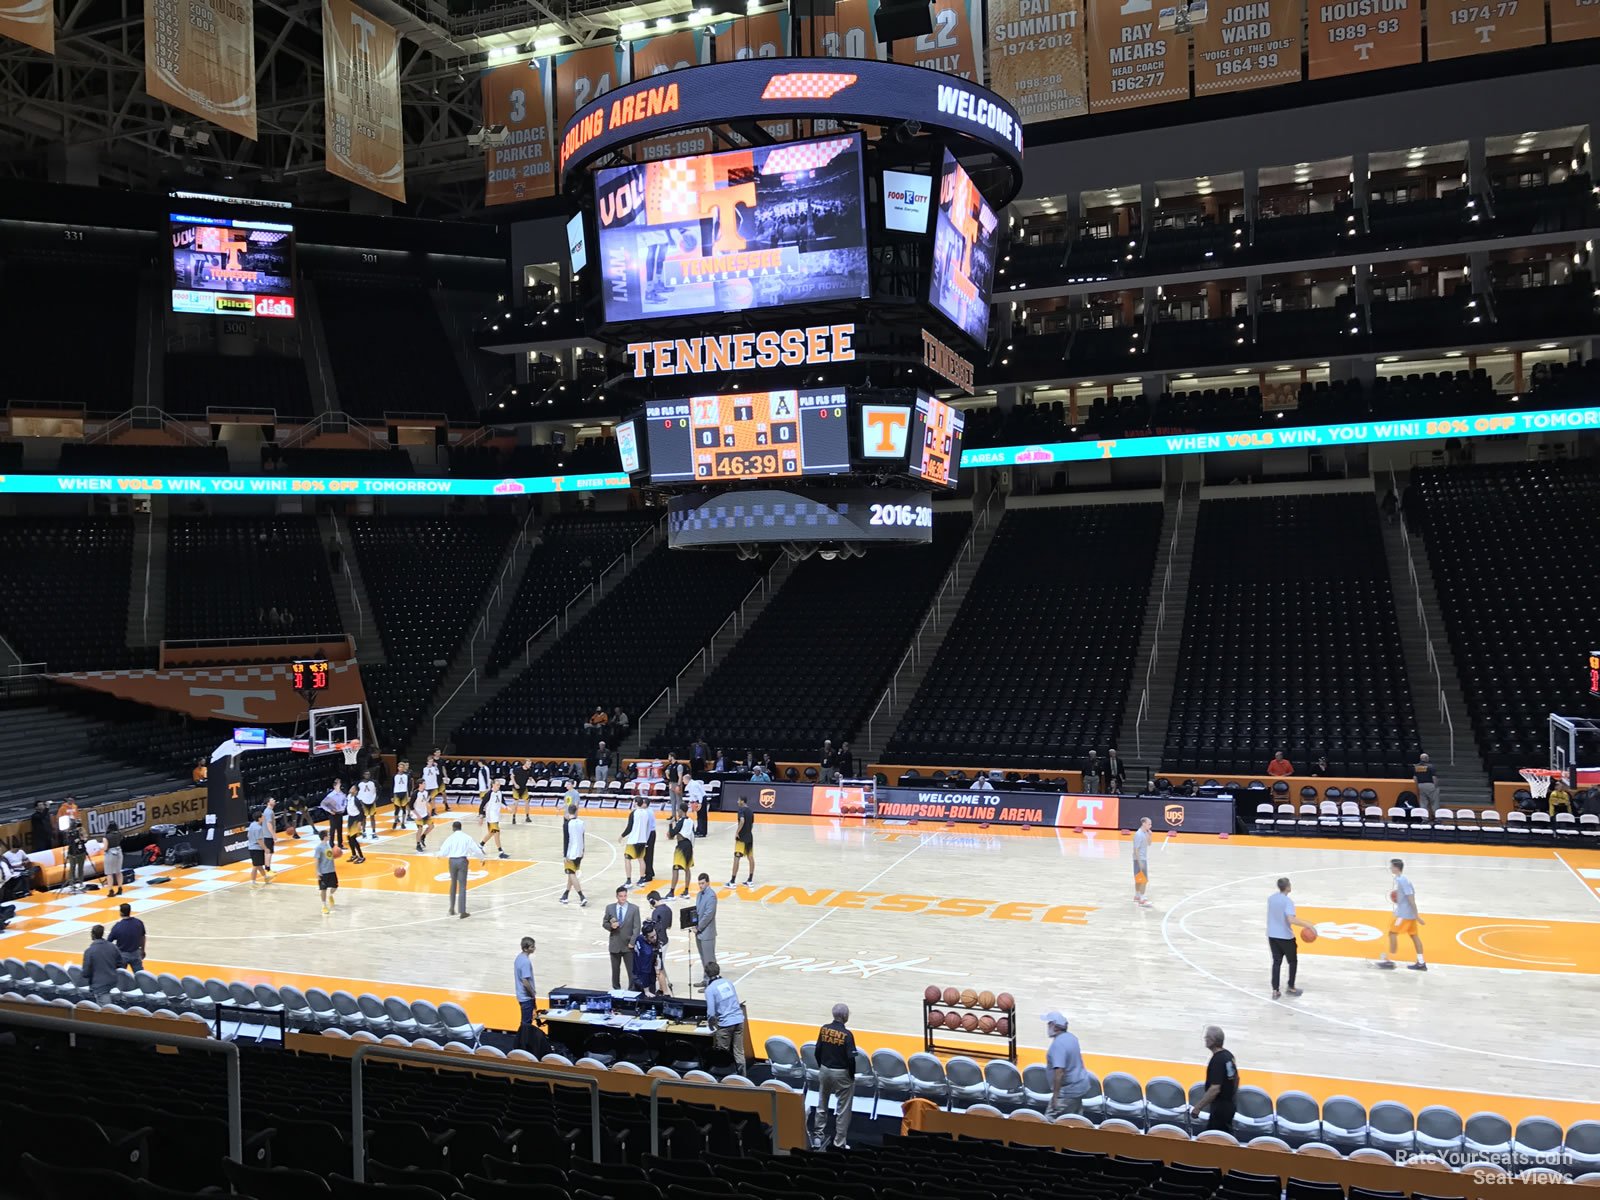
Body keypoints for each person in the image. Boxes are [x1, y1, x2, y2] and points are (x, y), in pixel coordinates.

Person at [811, 1002, 857, 1150]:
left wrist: (821, 1066)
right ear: (845, 1017)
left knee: (822, 1103)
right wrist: (851, 1075)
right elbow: (851, 1058)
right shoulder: (847, 1035)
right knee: (843, 1109)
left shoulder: (824, 1029)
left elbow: (817, 1050)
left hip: (825, 1070)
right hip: (841, 1073)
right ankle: (839, 1143)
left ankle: (818, 1137)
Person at [1375, 858, 1427, 971]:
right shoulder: (1401, 879)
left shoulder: (1403, 881)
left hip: (1404, 915)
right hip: (1409, 915)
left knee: (1392, 933)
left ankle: (1389, 960)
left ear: (1396, 868)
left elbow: (1411, 899)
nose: (1390, 868)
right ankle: (1421, 963)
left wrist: (1417, 916)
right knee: (1414, 936)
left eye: (1391, 866)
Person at [1267, 876, 1315, 999]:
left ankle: (1275, 990)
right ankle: (1291, 987)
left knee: (1276, 963)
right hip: (1285, 937)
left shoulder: (1271, 898)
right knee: (1292, 961)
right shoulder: (1288, 902)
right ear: (1288, 887)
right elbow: (1290, 919)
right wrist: (1308, 924)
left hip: (1272, 935)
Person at [1041, 1012, 1092, 1117]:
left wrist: (1056, 1096)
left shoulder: (1058, 1045)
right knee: (1075, 1119)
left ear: (1055, 1027)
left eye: (1049, 1023)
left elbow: (1059, 1072)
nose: (1047, 1026)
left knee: (1049, 1120)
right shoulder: (1072, 1038)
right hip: (1080, 1086)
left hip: (1068, 1091)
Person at [1190, 1026, 1238, 1132]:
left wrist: (1198, 1107)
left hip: (1220, 1109)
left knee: (1215, 1137)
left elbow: (1215, 1089)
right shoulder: (1228, 1056)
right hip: (1229, 1105)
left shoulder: (1217, 1060)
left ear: (1213, 1040)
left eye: (1207, 1037)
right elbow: (1236, 1079)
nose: (1205, 1038)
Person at [703, 961, 746, 1073]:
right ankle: (743, 1079)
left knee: (723, 1054)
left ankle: (726, 1079)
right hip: (739, 1020)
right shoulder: (728, 983)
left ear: (707, 974)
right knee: (739, 1052)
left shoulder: (710, 989)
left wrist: (711, 1025)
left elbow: (711, 1012)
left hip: (725, 1025)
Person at [439, 820, 486, 918]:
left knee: (453, 884)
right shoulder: (467, 837)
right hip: (462, 861)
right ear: (461, 828)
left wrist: (439, 856)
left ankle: (452, 908)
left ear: (453, 828)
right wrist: (481, 858)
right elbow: (476, 849)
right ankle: (462, 911)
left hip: (452, 861)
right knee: (462, 886)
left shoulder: (450, 838)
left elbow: (443, 852)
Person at [603, 885, 641, 989]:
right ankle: (616, 989)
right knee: (615, 971)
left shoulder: (634, 909)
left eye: (625, 896)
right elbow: (604, 923)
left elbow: (637, 927)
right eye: (621, 896)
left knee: (631, 971)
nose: (623, 898)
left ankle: (632, 990)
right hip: (615, 944)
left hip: (628, 945)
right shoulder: (609, 908)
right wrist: (611, 926)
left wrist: (632, 942)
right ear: (617, 896)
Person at [82, 924, 122, 1003]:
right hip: (114, 983)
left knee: (105, 1011)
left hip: (100, 987)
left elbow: (85, 973)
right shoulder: (113, 946)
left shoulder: (89, 951)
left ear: (92, 935)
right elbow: (120, 963)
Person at [513, 936, 539, 1051]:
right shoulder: (525, 962)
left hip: (521, 995)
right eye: (532, 946)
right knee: (526, 1023)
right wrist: (532, 993)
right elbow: (525, 980)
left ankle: (523, 1043)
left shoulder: (519, 958)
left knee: (526, 1022)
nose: (534, 948)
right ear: (526, 948)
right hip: (526, 997)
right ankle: (522, 1046)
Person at [561, 802, 588, 906]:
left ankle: (582, 896)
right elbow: (583, 837)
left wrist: (564, 855)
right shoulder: (581, 822)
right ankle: (565, 894)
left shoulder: (567, 824)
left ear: (568, 811)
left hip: (571, 853)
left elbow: (566, 840)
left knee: (571, 874)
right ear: (576, 811)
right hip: (580, 852)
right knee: (571, 874)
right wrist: (583, 850)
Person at [647, 890, 674, 993]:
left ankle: (663, 990)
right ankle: (663, 986)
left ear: (652, 901)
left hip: (659, 943)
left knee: (658, 967)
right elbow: (669, 926)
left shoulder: (656, 912)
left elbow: (653, 931)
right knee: (661, 963)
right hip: (666, 940)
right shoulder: (668, 909)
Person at [108, 902, 147, 971]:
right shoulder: (138, 922)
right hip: (136, 953)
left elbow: (109, 941)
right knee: (140, 975)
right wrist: (142, 950)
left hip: (122, 955)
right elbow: (143, 937)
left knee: (121, 976)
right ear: (130, 911)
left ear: (121, 913)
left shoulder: (118, 926)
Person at [668, 803, 695, 898]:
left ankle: (671, 892)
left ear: (681, 811)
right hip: (689, 846)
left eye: (678, 810)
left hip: (681, 846)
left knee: (675, 868)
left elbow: (672, 834)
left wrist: (670, 824)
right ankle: (686, 891)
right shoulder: (691, 821)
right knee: (687, 868)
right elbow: (693, 833)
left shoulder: (681, 821)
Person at [694, 872, 718, 979]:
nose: (700, 886)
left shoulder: (711, 896)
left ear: (708, 883)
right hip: (699, 932)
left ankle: (711, 981)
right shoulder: (699, 894)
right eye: (699, 883)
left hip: (707, 933)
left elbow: (709, 915)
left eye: (703, 883)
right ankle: (705, 978)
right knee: (703, 957)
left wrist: (699, 927)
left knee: (709, 959)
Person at [729, 793, 755, 888]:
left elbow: (742, 820)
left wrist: (737, 832)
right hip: (749, 836)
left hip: (741, 837)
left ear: (742, 801)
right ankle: (750, 880)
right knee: (750, 857)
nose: (737, 802)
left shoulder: (741, 810)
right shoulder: (751, 811)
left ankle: (732, 881)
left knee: (737, 858)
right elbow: (751, 825)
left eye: (738, 800)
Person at [622, 797, 649, 887]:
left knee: (627, 859)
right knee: (641, 859)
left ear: (636, 803)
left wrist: (622, 836)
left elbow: (629, 828)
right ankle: (642, 879)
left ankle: (629, 880)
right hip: (643, 840)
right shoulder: (646, 813)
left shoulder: (633, 813)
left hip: (633, 840)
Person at [313, 829, 340, 915]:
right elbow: (316, 859)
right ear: (325, 837)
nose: (329, 836)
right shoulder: (318, 848)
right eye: (328, 835)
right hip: (323, 871)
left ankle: (331, 895)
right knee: (323, 889)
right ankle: (324, 906)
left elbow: (330, 856)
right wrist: (317, 871)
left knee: (335, 886)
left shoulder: (328, 845)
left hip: (331, 870)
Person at [480, 781, 508, 860]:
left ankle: (480, 845)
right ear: (493, 785)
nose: (499, 786)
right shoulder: (489, 794)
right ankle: (500, 852)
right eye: (497, 785)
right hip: (491, 817)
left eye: (499, 785)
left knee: (491, 833)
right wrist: (481, 816)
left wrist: (506, 807)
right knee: (497, 833)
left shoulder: (499, 792)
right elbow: (482, 805)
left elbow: (501, 802)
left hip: (496, 815)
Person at [1131, 816, 1152, 907]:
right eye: (1149, 824)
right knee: (1144, 880)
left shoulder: (1144, 833)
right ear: (1144, 823)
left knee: (1139, 878)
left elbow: (1149, 844)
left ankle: (1137, 896)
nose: (1150, 826)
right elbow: (1136, 849)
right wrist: (1140, 862)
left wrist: (1150, 835)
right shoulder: (1139, 834)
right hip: (1140, 859)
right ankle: (1142, 900)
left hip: (1141, 859)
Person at [102, 818, 125, 898]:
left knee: (109, 873)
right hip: (119, 852)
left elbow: (105, 848)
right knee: (118, 871)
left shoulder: (106, 837)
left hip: (110, 854)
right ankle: (120, 888)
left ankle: (111, 890)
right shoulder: (119, 834)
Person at [247, 810, 270, 887]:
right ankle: (252, 882)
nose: (264, 817)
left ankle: (266, 877)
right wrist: (265, 848)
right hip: (256, 848)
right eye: (263, 816)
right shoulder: (258, 828)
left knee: (258, 864)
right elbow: (259, 840)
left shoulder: (252, 824)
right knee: (255, 866)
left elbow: (248, 835)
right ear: (259, 818)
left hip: (251, 847)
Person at [321, 780, 346, 848]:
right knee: (333, 829)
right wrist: (329, 811)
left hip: (340, 813)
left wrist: (343, 808)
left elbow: (344, 801)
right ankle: (331, 844)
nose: (340, 786)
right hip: (333, 814)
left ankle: (340, 844)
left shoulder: (342, 794)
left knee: (340, 829)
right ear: (334, 786)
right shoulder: (331, 795)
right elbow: (322, 804)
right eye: (338, 784)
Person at [64, 821, 87, 893]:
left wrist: (82, 838)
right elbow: (68, 842)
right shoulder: (70, 833)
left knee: (81, 868)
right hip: (72, 853)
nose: (78, 828)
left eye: (79, 826)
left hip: (81, 852)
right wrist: (74, 840)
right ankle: (71, 883)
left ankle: (81, 882)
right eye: (77, 826)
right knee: (72, 868)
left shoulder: (82, 830)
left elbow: (85, 839)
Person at [345, 786, 366, 863]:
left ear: (356, 791)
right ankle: (354, 855)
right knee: (349, 837)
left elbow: (362, 812)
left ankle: (361, 856)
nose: (351, 788)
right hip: (350, 818)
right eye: (351, 787)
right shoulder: (349, 796)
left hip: (356, 819)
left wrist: (360, 822)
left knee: (353, 838)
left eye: (353, 788)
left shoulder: (356, 800)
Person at [412, 784, 435, 853]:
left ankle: (423, 837)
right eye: (424, 783)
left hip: (424, 813)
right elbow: (410, 806)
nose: (425, 784)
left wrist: (429, 811)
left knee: (431, 826)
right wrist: (417, 815)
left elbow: (427, 802)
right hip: (417, 814)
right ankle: (418, 845)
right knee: (420, 829)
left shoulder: (426, 792)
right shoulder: (415, 793)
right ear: (420, 784)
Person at [641, 796, 659, 883]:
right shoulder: (649, 810)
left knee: (647, 855)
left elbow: (647, 827)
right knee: (649, 854)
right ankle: (650, 871)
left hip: (649, 834)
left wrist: (645, 839)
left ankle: (648, 875)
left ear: (645, 804)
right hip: (651, 833)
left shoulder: (647, 813)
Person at [390, 759, 411, 831]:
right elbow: (392, 786)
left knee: (404, 809)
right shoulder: (394, 776)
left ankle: (403, 823)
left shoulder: (407, 776)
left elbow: (409, 786)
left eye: (403, 767)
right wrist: (391, 796)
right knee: (396, 809)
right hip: (396, 793)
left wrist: (409, 795)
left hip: (404, 793)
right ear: (398, 768)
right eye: (400, 767)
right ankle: (395, 821)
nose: (401, 768)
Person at [357, 773, 378, 838]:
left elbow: (379, 789)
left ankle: (373, 832)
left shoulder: (374, 782)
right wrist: (360, 801)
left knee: (372, 817)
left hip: (372, 802)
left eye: (368, 774)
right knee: (363, 818)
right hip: (363, 802)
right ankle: (364, 831)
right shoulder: (359, 783)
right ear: (363, 775)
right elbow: (357, 792)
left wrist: (376, 798)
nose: (367, 775)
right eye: (366, 774)